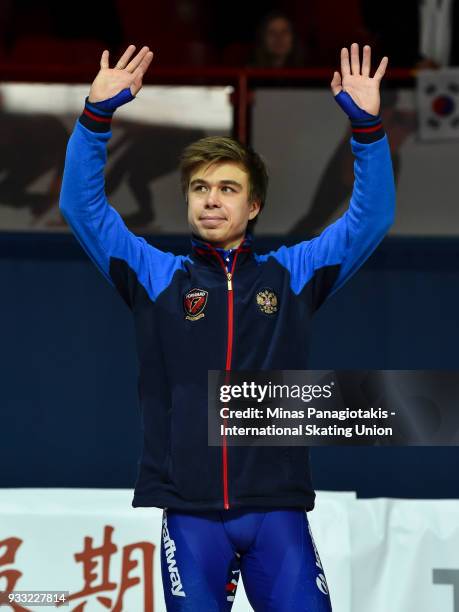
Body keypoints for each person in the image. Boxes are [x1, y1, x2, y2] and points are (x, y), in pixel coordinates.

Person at [60, 42, 395, 611]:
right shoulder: (157, 276)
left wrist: (367, 130)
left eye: (227, 189)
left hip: (276, 513)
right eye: (199, 188)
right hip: (191, 517)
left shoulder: (292, 275)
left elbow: (372, 217)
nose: (210, 201)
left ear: (255, 205)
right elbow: (82, 207)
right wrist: (95, 118)